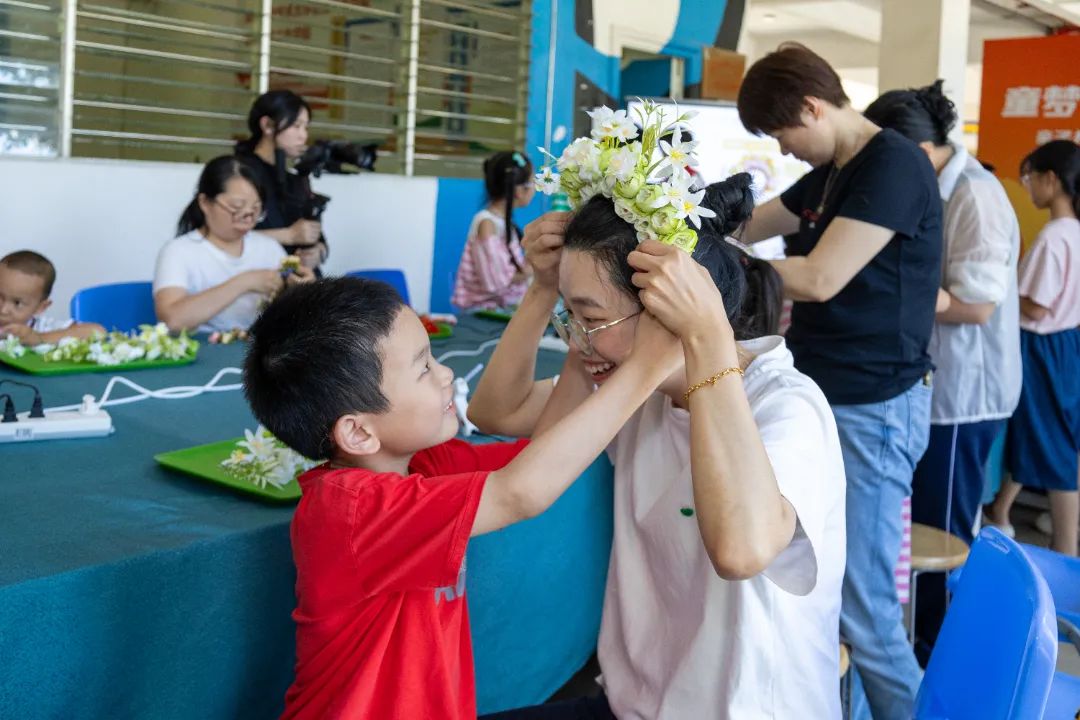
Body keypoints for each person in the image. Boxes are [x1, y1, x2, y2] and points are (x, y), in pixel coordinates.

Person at [470, 174, 845, 719]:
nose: (576, 337)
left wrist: (705, 337)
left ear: (666, 311)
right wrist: (543, 289)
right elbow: (498, 414)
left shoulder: (786, 405)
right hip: (636, 703)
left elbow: (741, 551)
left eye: (590, 318)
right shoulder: (638, 389)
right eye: (570, 318)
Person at [241, 276, 679, 719]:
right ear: (358, 432)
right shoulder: (352, 511)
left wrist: (580, 345)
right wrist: (646, 367)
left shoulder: (424, 464)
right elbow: (520, 493)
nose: (446, 374)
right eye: (423, 368)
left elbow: (544, 453)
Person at [735, 43, 943, 719]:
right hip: (827, 397)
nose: (783, 149)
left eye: (781, 132)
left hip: (873, 405)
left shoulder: (894, 165)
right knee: (825, 591)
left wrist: (720, 270)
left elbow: (822, 277)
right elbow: (755, 224)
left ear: (812, 108)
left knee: (866, 610)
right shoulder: (832, 171)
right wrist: (692, 224)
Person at [864, 80, 1022, 656]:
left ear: (918, 150)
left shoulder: (975, 196)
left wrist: (889, 283)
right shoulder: (937, 184)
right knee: (927, 520)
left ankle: (941, 651)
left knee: (945, 525)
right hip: (932, 381)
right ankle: (927, 638)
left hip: (964, 391)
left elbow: (977, 306)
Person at [987, 140, 1080, 557]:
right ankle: (1002, 511)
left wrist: (1000, 293)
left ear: (1051, 180)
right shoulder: (1073, 232)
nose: (1026, 188)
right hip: (1065, 344)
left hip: (1041, 348)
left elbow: (1037, 305)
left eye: (1030, 178)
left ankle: (1066, 551)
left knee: (1052, 447)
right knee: (1043, 435)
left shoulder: (1054, 237)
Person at [153, 155, 313, 333]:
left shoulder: (269, 248)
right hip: (202, 347)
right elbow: (172, 320)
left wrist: (303, 290)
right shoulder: (178, 252)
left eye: (255, 209)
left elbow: (292, 308)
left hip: (258, 346)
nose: (247, 219)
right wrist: (245, 282)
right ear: (205, 203)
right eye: (237, 207)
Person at [234, 90, 326, 271]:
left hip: (293, 278)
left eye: (306, 127)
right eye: (296, 126)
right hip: (253, 278)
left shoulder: (296, 179)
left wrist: (317, 253)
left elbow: (319, 239)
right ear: (267, 125)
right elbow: (225, 237)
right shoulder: (239, 174)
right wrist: (288, 235)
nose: (303, 136)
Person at [451, 150, 535, 310]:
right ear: (519, 191)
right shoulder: (487, 225)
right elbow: (494, 283)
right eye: (533, 183)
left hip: (501, 310)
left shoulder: (503, 223)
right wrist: (534, 269)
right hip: (484, 313)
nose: (535, 189)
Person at [0, 251, 105, 343]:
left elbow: (98, 332)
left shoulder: (42, 327)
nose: (3, 310)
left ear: (41, 307)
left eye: (17, 303)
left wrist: (39, 338)